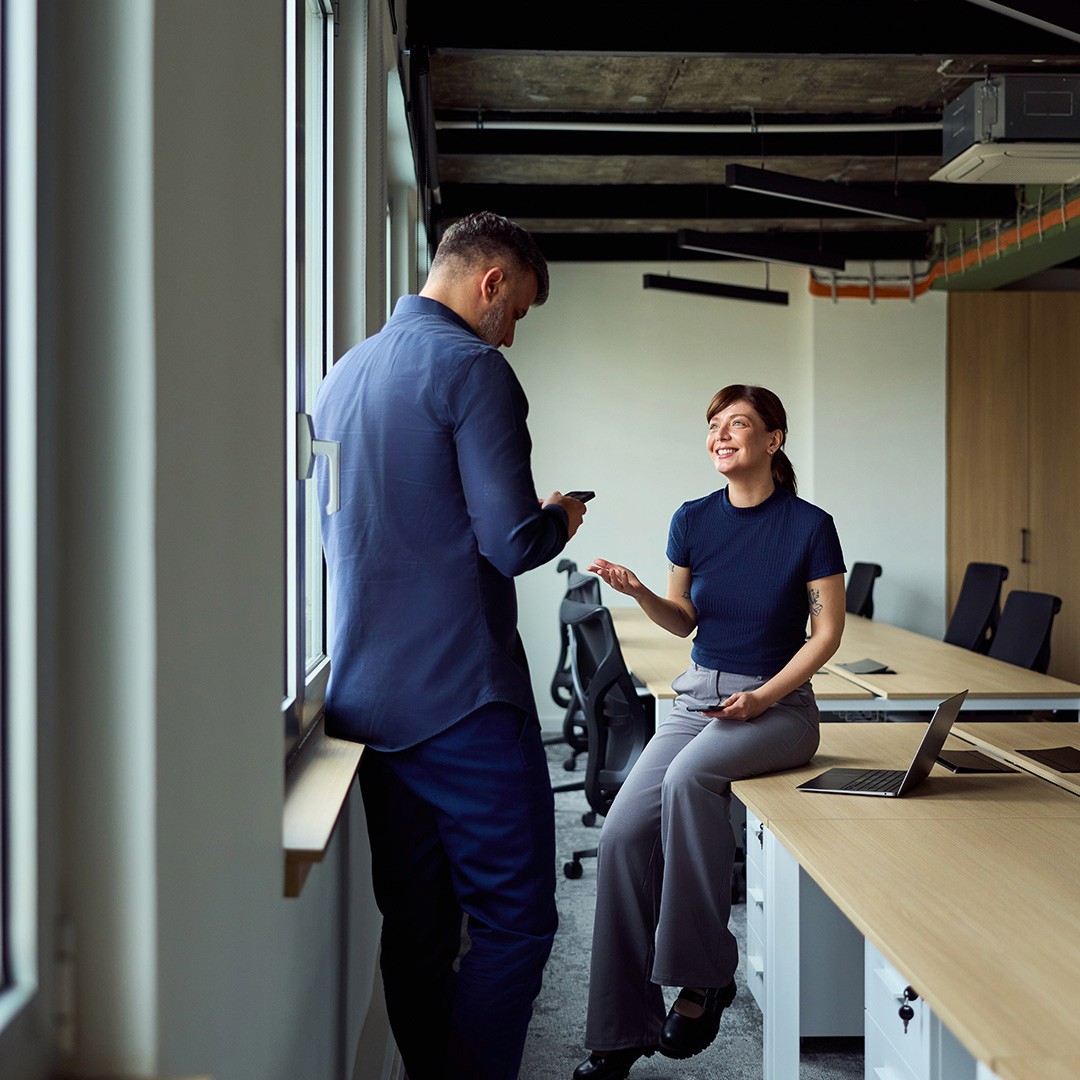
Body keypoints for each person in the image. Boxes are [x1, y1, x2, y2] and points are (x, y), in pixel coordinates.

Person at [313, 211, 588, 1080]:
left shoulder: (341, 375)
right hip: (464, 701)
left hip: (367, 702)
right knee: (516, 924)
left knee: (417, 927)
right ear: (492, 282)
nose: (513, 337)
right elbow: (510, 544)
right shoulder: (472, 371)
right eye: (521, 313)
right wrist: (560, 518)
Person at [573, 384, 846, 1080]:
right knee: (622, 835)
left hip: (780, 710)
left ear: (773, 440)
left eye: (738, 424)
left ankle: (704, 977)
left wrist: (765, 696)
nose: (720, 435)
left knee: (694, 778)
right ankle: (617, 1034)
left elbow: (828, 633)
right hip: (696, 701)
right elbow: (684, 619)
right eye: (714, 425)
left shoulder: (810, 526)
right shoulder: (692, 519)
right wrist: (640, 594)